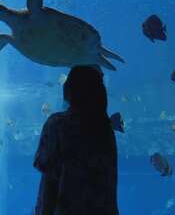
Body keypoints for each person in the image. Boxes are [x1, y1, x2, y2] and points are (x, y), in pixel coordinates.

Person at [34, 65, 119, 215]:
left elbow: (49, 185)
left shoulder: (57, 124)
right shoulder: (106, 129)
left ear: (71, 89)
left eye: (69, 80)